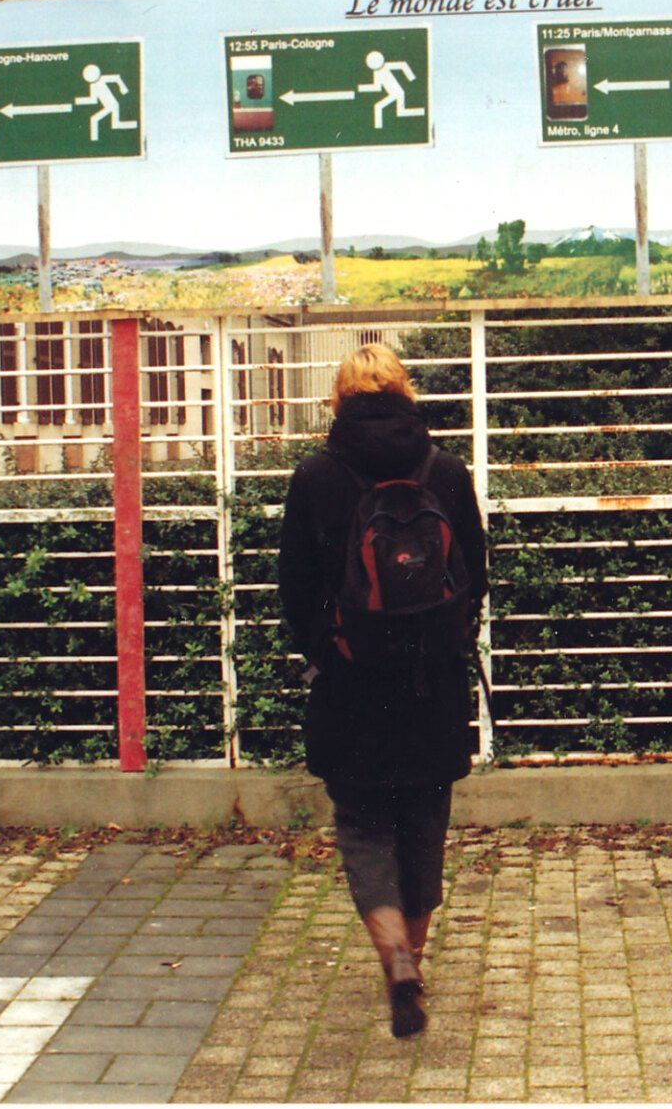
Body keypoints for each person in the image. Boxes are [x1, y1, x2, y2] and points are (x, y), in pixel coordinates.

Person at [277, 343, 488, 1038]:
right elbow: (476, 575)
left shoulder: (316, 476)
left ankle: (394, 955)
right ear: (406, 392)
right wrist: (442, 639)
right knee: (424, 827)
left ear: (338, 399)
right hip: (433, 688)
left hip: (352, 686)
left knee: (365, 828)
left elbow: (294, 588)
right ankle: (414, 962)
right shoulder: (445, 471)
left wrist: (328, 650)